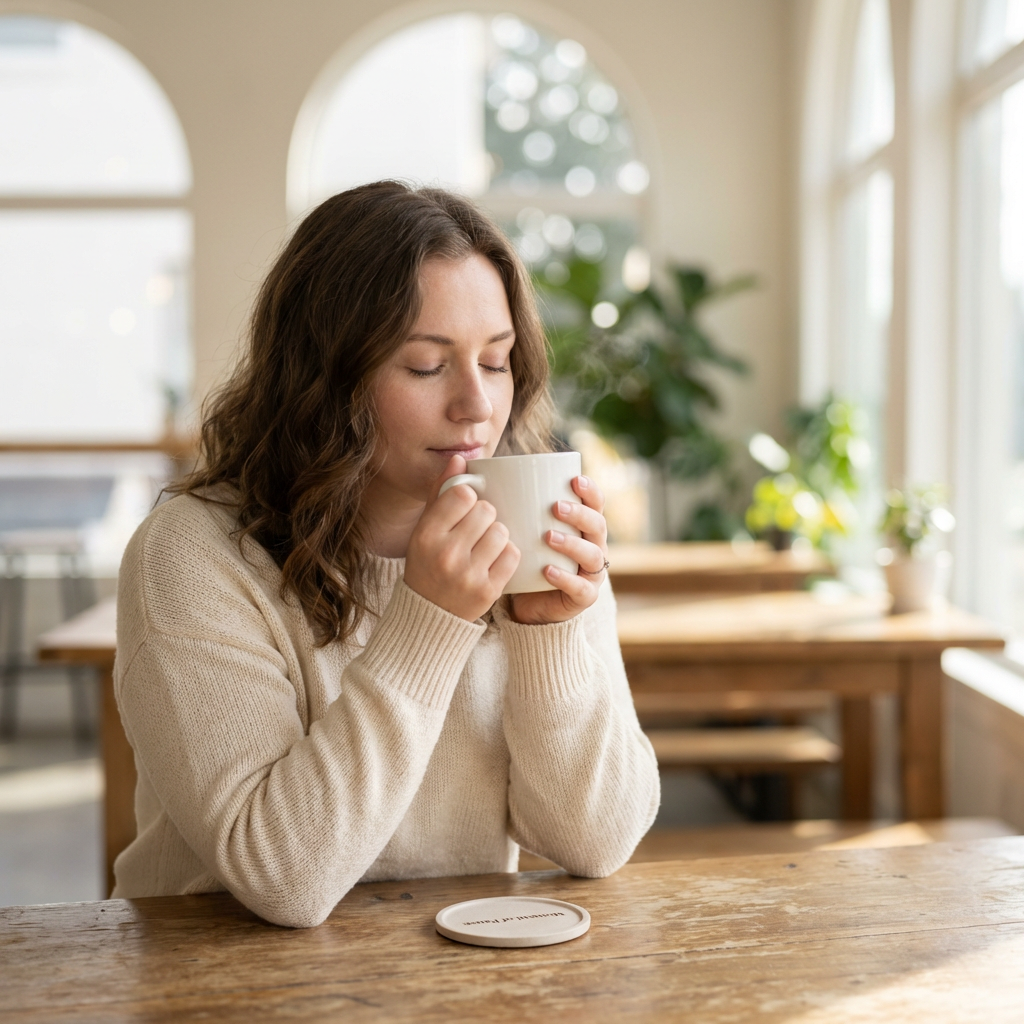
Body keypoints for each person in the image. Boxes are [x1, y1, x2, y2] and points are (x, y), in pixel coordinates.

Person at [112, 181, 660, 928]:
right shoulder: (190, 554)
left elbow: (595, 841)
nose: (476, 405)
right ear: (322, 376)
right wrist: (429, 619)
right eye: (427, 366)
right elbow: (280, 877)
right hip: (219, 972)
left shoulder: (535, 523)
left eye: (496, 361)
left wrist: (550, 636)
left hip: (457, 967)